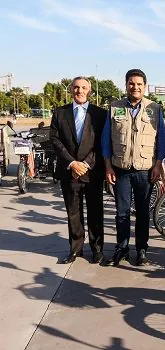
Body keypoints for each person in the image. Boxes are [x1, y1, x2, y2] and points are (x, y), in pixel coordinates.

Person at [102, 69, 165, 266]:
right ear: (126, 85)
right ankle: (121, 249)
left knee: (143, 213)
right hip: (120, 169)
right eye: (131, 83)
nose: (135, 87)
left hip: (145, 170)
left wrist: (158, 165)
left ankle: (141, 250)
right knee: (121, 212)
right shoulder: (115, 108)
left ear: (144, 86)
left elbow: (161, 140)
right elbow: (106, 140)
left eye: (139, 84)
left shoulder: (154, 108)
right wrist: (108, 167)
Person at [49, 76, 107, 264]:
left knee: (95, 212)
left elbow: (101, 143)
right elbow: (55, 140)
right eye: (76, 87)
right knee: (73, 213)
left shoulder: (100, 114)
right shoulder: (60, 113)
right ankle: (76, 249)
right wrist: (72, 163)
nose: (79, 91)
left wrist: (86, 164)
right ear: (71, 90)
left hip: (92, 173)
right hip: (69, 171)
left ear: (89, 90)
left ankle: (97, 249)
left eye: (83, 88)